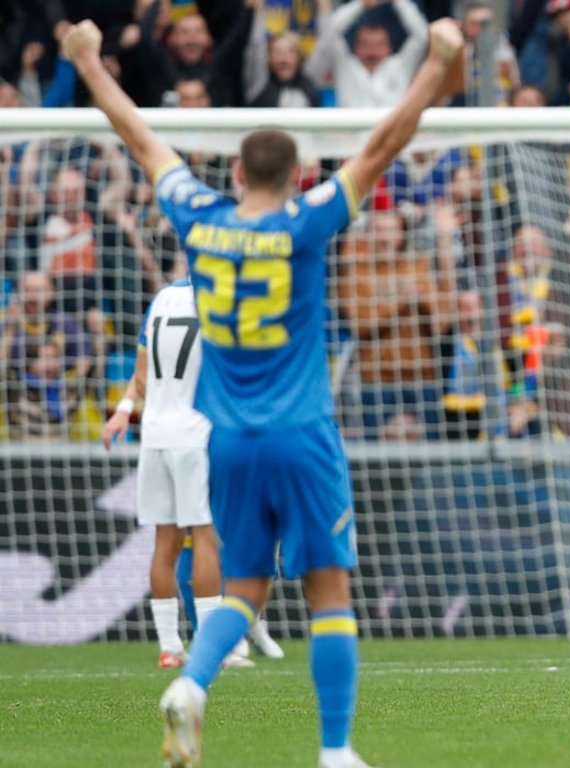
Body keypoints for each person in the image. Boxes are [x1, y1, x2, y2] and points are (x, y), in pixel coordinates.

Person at [64, 15, 465, 768]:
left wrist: (88, 61)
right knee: (328, 588)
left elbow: (140, 138)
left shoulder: (198, 219)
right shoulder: (306, 224)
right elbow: (384, 144)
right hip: (301, 432)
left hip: (228, 439)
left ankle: (191, 682)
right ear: (300, 176)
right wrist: (438, 63)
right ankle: (335, 750)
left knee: (245, 583)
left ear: (238, 176)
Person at [101, 280, 252, 671]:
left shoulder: (163, 299)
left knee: (164, 543)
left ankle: (169, 647)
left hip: (155, 434)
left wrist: (124, 410)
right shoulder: (222, 300)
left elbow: (141, 375)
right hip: (195, 434)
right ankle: (211, 645)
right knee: (204, 537)